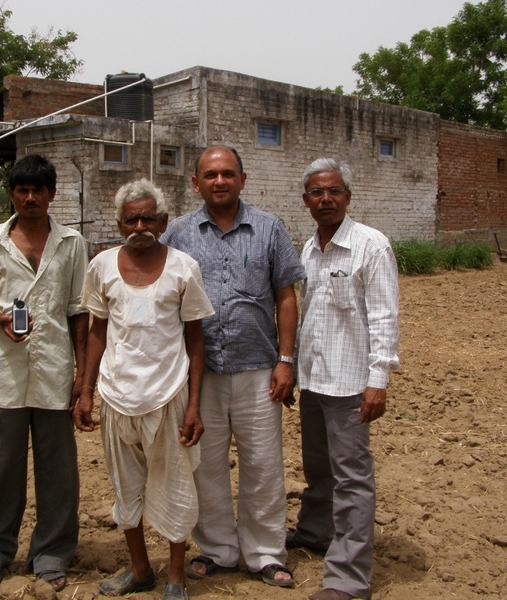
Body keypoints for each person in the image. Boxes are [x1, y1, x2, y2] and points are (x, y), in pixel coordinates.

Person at [160, 145, 305, 588]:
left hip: (259, 369)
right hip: (200, 373)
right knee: (206, 464)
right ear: (195, 183)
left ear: (243, 179)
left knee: (262, 463)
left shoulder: (268, 228)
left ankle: (265, 552)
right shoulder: (179, 233)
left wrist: (286, 360)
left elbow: (285, 296)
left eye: (227, 173)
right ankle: (219, 549)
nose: (219, 181)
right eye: (210, 174)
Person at [73, 179, 214, 600]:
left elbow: (196, 339)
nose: (140, 225)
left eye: (148, 217)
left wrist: (194, 404)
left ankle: (175, 576)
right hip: (117, 396)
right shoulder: (101, 266)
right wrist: (85, 390)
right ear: (119, 224)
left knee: (175, 483)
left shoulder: (183, 267)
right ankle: (139, 570)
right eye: (131, 218)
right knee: (125, 485)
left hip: (168, 393)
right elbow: (97, 331)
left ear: (164, 221)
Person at [0, 154, 88, 593]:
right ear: (12, 193)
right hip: (4, 373)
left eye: (39, 190)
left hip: (55, 370)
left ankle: (51, 552)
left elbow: (78, 310)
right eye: (22, 189)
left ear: (52, 194)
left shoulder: (72, 243)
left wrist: (81, 374)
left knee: (58, 471)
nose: (30, 197)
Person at [289, 158, 400, 600]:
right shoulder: (309, 248)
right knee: (318, 469)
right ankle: (316, 532)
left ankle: (350, 578)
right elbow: (307, 313)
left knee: (352, 477)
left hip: (351, 384)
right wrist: (295, 370)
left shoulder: (370, 246)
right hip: (315, 380)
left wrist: (379, 380)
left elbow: (385, 316)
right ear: (306, 201)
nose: (326, 199)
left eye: (334, 191)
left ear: (348, 197)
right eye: (317, 192)